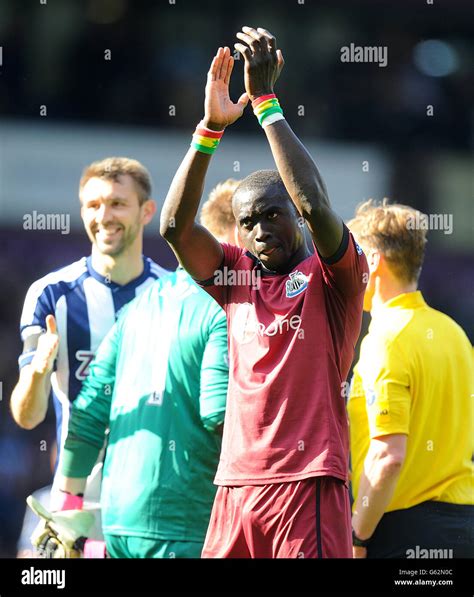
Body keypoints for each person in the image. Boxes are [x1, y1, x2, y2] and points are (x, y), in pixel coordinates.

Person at [160, 28, 368, 558]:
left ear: (294, 217)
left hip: (308, 480)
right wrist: (209, 129)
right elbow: (174, 228)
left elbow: (317, 203)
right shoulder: (235, 277)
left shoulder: (335, 274)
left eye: (272, 216)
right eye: (247, 223)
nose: (259, 232)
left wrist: (267, 103)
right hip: (236, 485)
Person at [47, 183, 233, 559]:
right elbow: (221, 416)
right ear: (231, 240)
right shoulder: (225, 307)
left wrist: (66, 518)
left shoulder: (136, 307)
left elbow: (85, 417)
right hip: (190, 522)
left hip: (119, 521)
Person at [10, 157, 168, 551]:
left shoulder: (173, 295)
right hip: (74, 498)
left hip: (156, 494)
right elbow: (27, 417)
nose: (104, 215)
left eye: (117, 203)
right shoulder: (51, 294)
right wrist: (38, 371)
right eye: (94, 205)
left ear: (146, 211)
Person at [347, 199, 473, 558]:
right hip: (463, 527)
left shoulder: (386, 341)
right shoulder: (455, 334)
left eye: (353, 258)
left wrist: (357, 535)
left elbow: (388, 457)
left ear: (372, 261)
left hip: (405, 535)